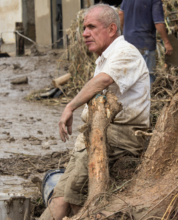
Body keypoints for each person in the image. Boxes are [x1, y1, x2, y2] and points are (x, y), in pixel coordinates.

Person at [39, 4, 150, 220]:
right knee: (59, 197)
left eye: (91, 27)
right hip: (94, 134)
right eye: (83, 28)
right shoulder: (104, 58)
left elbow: (103, 81)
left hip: (120, 136)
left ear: (111, 29)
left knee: (75, 197)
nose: (84, 33)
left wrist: (70, 106)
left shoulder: (125, 52)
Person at [119, 0, 173, 83]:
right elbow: (159, 23)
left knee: (130, 78)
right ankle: (148, 96)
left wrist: (125, 32)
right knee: (147, 78)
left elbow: (121, 14)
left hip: (127, 44)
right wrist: (167, 42)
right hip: (144, 44)